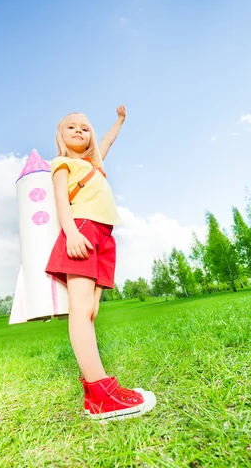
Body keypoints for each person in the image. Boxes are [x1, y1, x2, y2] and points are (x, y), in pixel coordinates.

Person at [45, 106, 156, 422]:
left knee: (91, 311)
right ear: (61, 136)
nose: (79, 131)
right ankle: (100, 392)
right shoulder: (62, 163)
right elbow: (61, 202)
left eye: (85, 127)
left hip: (104, 235)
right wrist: (70, 234)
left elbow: (106, 141)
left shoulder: (95, 162)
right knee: (80, 310)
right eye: (71, 127)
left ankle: (95, 396)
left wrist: (119, 121)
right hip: (81, 229)